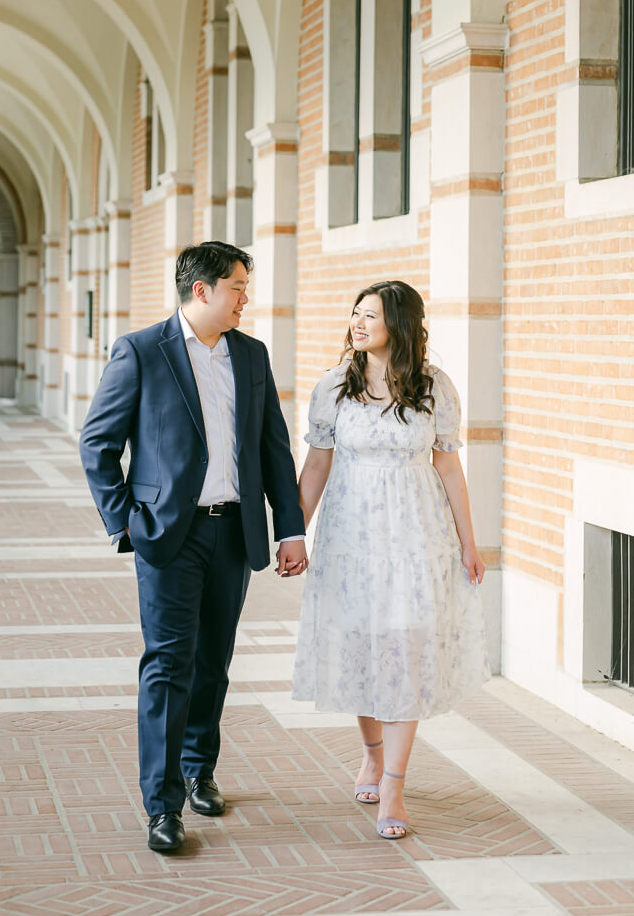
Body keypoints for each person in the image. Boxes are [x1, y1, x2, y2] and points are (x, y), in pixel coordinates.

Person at [79, 241, 308, 853]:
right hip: (168, 537)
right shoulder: (141, 351)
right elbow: (97, 444)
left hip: (233, 532)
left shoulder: (252, 356)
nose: (245, 299)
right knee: (167, 664)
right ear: (202, 290)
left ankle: (197, 766)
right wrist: (124, 519)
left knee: (214, 660)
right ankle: (162, 806)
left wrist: (290, 528)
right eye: (237, 287)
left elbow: (274, 449)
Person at [291, 280, 490, 839]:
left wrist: (469, 544)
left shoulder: (434, 388)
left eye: (370, 315)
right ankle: (372, 755)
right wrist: (292, 535)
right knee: (362, 646)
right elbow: (316, 467)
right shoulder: (333, 387)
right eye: (354, 313)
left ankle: (395, 788)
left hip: (417, 537)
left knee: (406, 649)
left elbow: (449, 468)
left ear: (399, 324)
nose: (357, 323)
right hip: (352, 537)